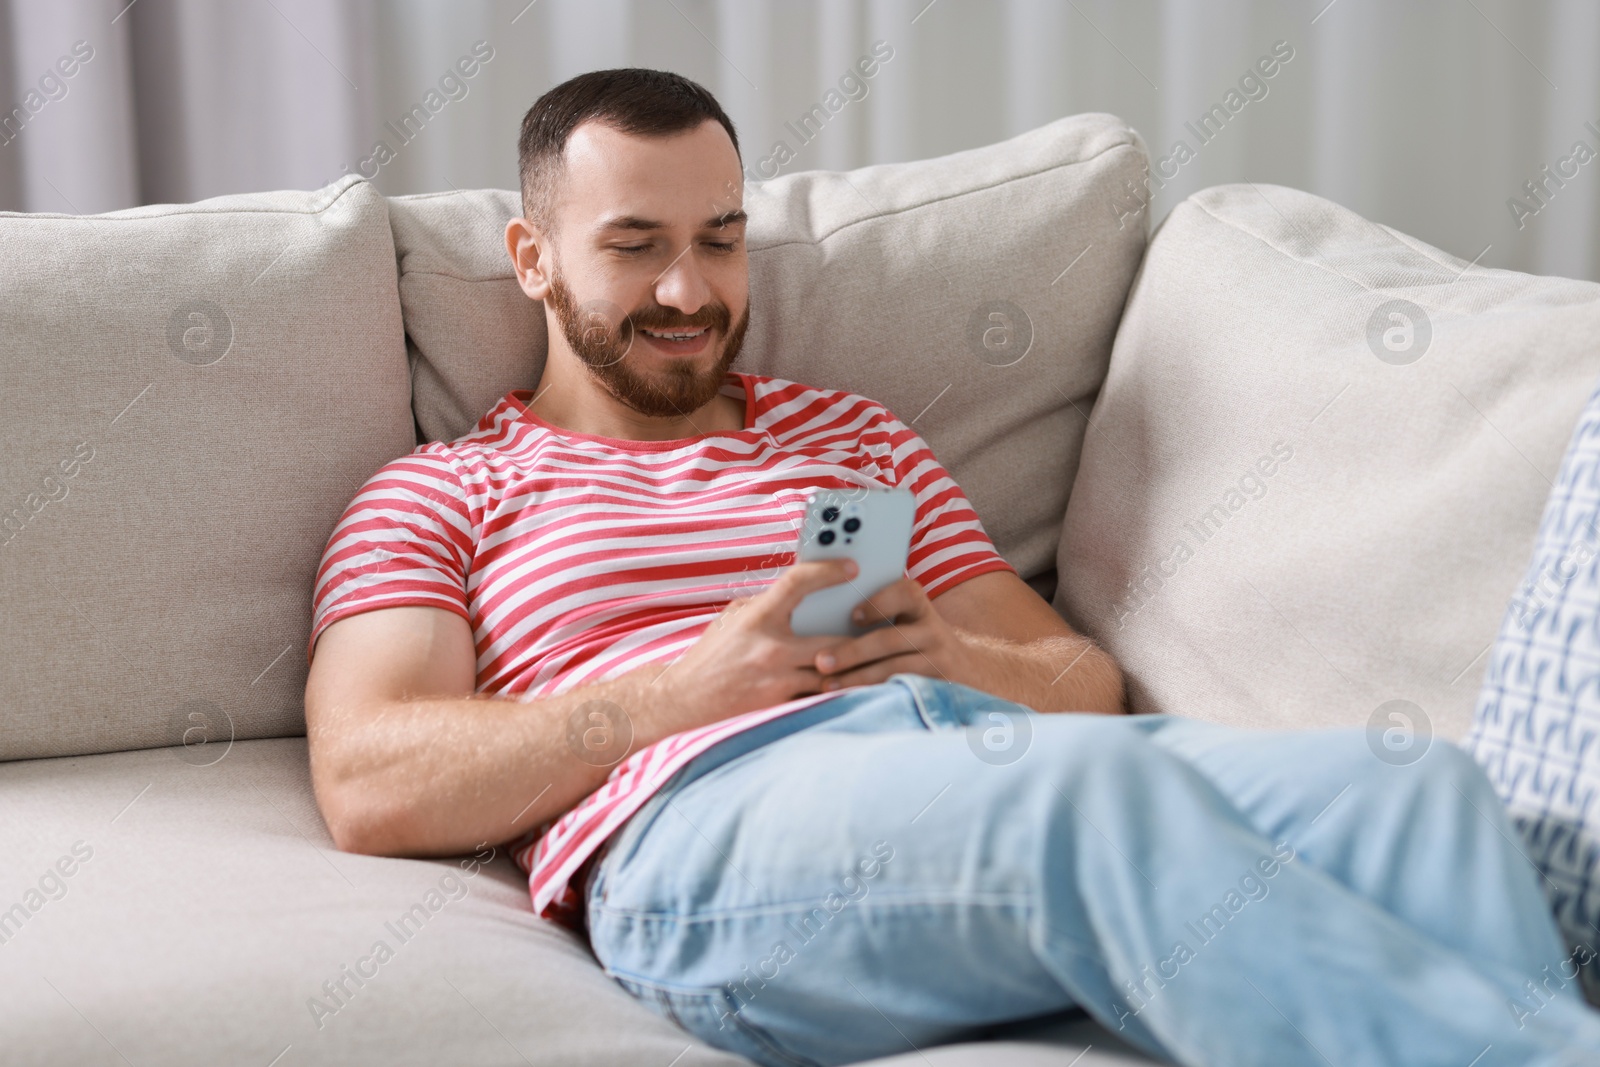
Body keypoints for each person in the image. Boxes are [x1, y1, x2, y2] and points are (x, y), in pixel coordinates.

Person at [302, 68, 1600, 1067]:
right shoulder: (444, 488)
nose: (690, 287)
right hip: (704, 829)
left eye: (720, 237)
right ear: (533, 260)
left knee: (1415, 792)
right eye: (636, 244)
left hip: (972, 754)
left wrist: (950, 654)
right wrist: (684, 690)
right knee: (1095, 820)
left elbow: (1079, 682)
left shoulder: (855, 437)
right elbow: (369, 780)